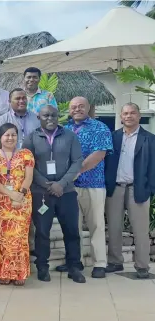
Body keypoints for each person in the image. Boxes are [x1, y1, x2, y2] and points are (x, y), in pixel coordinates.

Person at [22, 105, 86, 283]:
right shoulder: (31, 138)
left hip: (66, 192)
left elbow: (77, 161)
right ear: (39, 118)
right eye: (46, 115)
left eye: (53, 115)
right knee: (42, 232)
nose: (50, 118)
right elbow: (27, 164)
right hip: (41, 193)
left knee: (72, 231)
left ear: (59, 117)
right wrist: (46, 184)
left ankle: (74, 267)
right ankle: (43, 267)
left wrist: (61, 183)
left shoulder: (70, 136)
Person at [60, 96, 112, 279]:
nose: (77, 109)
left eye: (81, 106)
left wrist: (77, 171)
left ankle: (99, 264)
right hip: (70, 187)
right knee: (72, 226)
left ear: (88, 108)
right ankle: (75, 261)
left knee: (96, 224)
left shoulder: (100, 127)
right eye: (73, 106)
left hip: (94, 184)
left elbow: (100, 153)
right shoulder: (65, 129)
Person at [104, 103, 155, 279]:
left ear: (139, 116)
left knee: (140, 230)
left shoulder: (150, 138)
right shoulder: (113, 137)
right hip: (116, 188)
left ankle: (142, 266)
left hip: (138, 189)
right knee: (114, 227)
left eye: (133, 113)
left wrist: (150, 189)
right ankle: (115, 261)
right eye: (125, 113)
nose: (129, 116)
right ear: (121, 116)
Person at [0, 123, 34, 286]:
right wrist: (10, 194)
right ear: (0, 137)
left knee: (19, 237)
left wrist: (19, 194)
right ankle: (3, 272)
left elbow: (29, 177)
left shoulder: (26, 154)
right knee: (1, 238)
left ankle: (19, 273)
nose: (10, 138)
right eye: (6, 135)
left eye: (13, 134)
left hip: (21, 202)